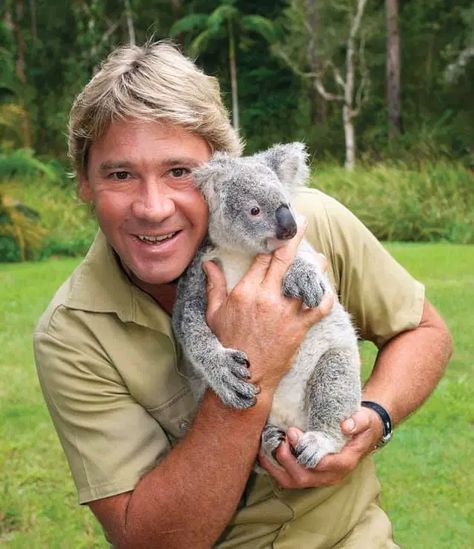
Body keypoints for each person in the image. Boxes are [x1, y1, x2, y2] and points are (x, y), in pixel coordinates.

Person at [33, 41, 452, 548]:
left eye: (179, 172)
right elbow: (149, 540)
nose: (153, 207)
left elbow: (424, 330)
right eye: (120, 175)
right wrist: (255, 359)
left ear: (221, 171)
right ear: (83, 183)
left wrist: (373, 418)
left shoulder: (306, 222)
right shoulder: (73, 334)